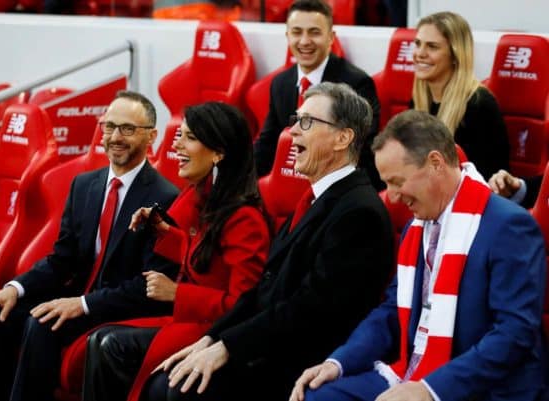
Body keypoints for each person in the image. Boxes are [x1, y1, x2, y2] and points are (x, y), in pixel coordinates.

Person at [143, 82, 394, 401]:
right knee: (169, 379)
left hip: (306, 363)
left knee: (177, 389)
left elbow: (311, 308)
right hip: (273, 344)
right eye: (294, 120)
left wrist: (229, 347)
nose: (293, 132)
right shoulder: (316, 199)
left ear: (342, 138)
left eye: (307, 122)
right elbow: (265, 289)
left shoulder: (359, 212)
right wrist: (211, 339)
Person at [290, 110, 547, 401]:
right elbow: (391, 311)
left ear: (435, 163)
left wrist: (429, 389)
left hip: (482, 385)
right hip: (414, 369)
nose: (393, 196)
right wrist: (338, 362)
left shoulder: (508, 226)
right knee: (318, 395)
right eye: (386, 184)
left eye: (398, 182)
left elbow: (514, 334)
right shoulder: (417, 225)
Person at [0, 91, 180, 401]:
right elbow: (61, 260)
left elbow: (146, 287)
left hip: (117, 306)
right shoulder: (85, 184)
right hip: (78, 296)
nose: (115, 137)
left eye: (127, 128)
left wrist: (81, 305)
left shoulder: (166, 197)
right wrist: (13, 289)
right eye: (108, 127)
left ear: (151, 136)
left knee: (41, 324)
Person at [81, 101, 271, 401]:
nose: (177, 145)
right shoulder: (205, 197)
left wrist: (176, 293)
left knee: (109, 344)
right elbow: (202, 254)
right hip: (186, 322)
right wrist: (163, 231)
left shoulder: (244, 217)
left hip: (211, 330)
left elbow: (242, 303)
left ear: (219, 153)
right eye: (179, 135)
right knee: (100, 341)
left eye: (190, 138)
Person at [253, 0, 382, 190]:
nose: (304, 41)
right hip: (288, 183)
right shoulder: (281, 83)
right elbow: (267, 145)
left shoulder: (356, 84)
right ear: (288, 36)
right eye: (297, 32)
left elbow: (360, 151)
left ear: (331, 37)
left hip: (335, 188)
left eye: (314, 32)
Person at [411, 11, 509, 180]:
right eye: (418, 44)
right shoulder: (419, 98)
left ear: (456, 55)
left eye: (432, 46)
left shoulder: (479, 105)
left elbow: (488, 178)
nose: (420, 53)